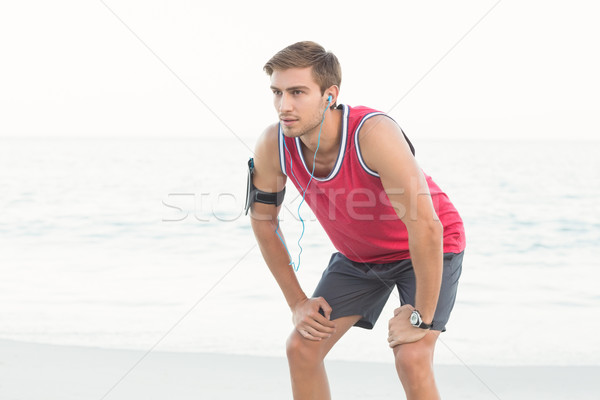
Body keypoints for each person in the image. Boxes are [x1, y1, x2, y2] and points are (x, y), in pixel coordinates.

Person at [247, 41, 466, 400]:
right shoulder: (273, 144)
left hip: (428, 247)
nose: (284, 106)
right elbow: (263, 221)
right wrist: (298, 303)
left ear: (329, 95)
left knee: (411, 356)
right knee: (301, 347)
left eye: (297, 92)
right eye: (277, 93)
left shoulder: (373, 133)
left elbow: (426, 227)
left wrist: (421, 318)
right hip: (360, 258)